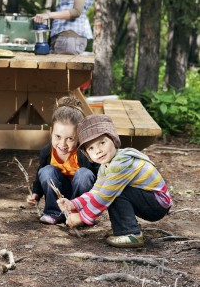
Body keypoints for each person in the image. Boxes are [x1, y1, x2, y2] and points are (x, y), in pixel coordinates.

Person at [57, 114, 173, 248]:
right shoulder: (105, 166)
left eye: (102, 142)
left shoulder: (120, 163)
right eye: (91, 148)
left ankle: (130, 233)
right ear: (87, 154)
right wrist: (73, 204)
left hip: (157, 204)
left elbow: (104, 196)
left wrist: (81, 217)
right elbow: (96, 191)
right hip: (148, 199)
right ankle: (123, 227)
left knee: (114, 192)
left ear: (113, 139)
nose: (98, 151)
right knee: (113, 190)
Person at [26, 96, 99, 225]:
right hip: (60, 195)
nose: (63, 144)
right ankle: (54, 213)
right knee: (46, 171)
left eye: (70, 138)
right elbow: (39, 178)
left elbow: (98, 179)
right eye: (58, 136)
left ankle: (79, 215)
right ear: (51, 132)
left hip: (80, 195)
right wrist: (36, 194)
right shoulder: (47, 152)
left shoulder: (85, 154)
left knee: (84, 174)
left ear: (79, 137)